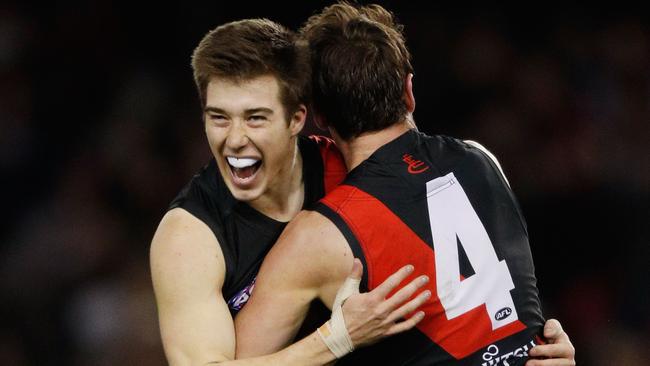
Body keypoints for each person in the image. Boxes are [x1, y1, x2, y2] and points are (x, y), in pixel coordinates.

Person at [234, 3, 575, 366]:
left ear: (319, 117)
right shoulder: (482, 159)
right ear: (409, 91)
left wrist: (334, 339)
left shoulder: (319, 237)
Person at [150, 17, 432, 366]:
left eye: (255, 118)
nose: (234, 140)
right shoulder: (189, 238)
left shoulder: (350, 170)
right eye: (219, 118)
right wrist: (338, 338)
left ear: (296, 119)